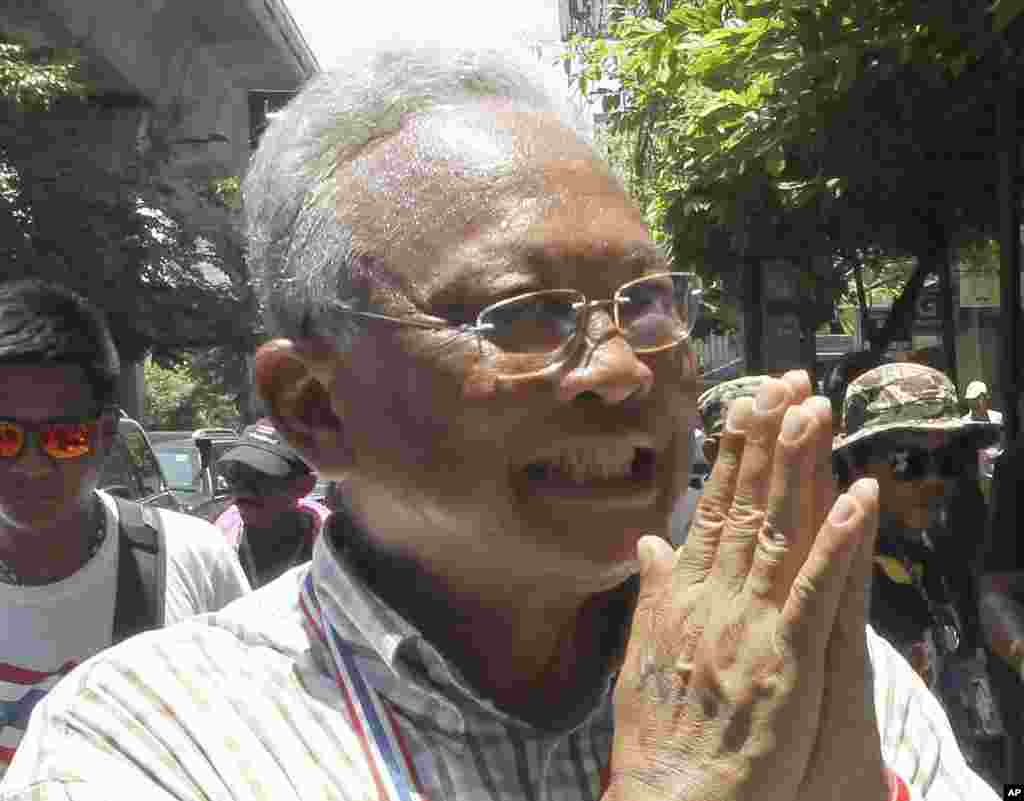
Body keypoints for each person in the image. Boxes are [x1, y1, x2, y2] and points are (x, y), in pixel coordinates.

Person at [1, 44, 996, 801]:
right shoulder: (144, 743)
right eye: (521, 318)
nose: (617, 369)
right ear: (314, 407)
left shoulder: (805, 663)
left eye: (646, 301)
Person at [0, 279, 251, 775]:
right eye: (4, 436)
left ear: (106, 433)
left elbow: (247, 742)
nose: (30, 465)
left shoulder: (191, 557)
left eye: (64, 437)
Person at [832, 362, 1004, 788]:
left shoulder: (939, 558)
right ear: (855, 466)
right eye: (908, 461)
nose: (934, 481)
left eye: (949, 460)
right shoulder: (835, 587)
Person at [214, 420, 330, 588]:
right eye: (235, 473)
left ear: (305, 486)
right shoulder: (214, 540)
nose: (242, 488)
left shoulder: (339, 554)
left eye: (260, 476)